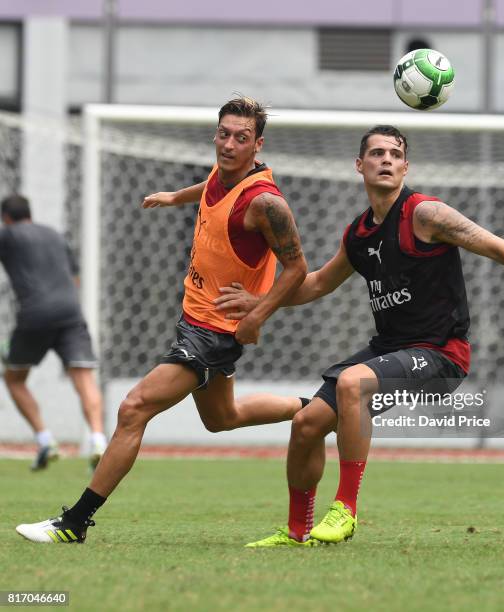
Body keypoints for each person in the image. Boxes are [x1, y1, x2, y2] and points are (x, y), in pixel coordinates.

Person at [213, 125, 504, 547]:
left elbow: (498, 247)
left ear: (406, 166)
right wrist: (260, 302)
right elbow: (318, 284)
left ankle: (346, 512)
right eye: (376, 153)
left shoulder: (426, 215)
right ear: (359, 165)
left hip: (441, 354)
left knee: (355, 383)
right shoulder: (358, 234)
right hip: (391, 349)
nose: (386, 159)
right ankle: (297, 533)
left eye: (395, 154)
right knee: (306, 424)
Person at [15, 96, 308, 544]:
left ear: (258, 144)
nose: (229, 144)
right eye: (224, 134)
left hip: (214, 332)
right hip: (194, 320)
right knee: (222, 418)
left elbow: (297, 269)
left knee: (134, 408)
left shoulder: (266, 203)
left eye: (241, 138)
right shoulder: (221, 172)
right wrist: (175, 197)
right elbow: (210, 188)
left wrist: (257, 309)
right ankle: (312, 408)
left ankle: (74, 522)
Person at [0, 194, 107, 472]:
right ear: (30, 213)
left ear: (6, 218)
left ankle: (45, 439)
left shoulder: (8, 235)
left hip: (35, 314)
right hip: (71, 311)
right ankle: (98, 440)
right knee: (83, 377)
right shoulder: (55, 235)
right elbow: (74, 278)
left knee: (14, 378)